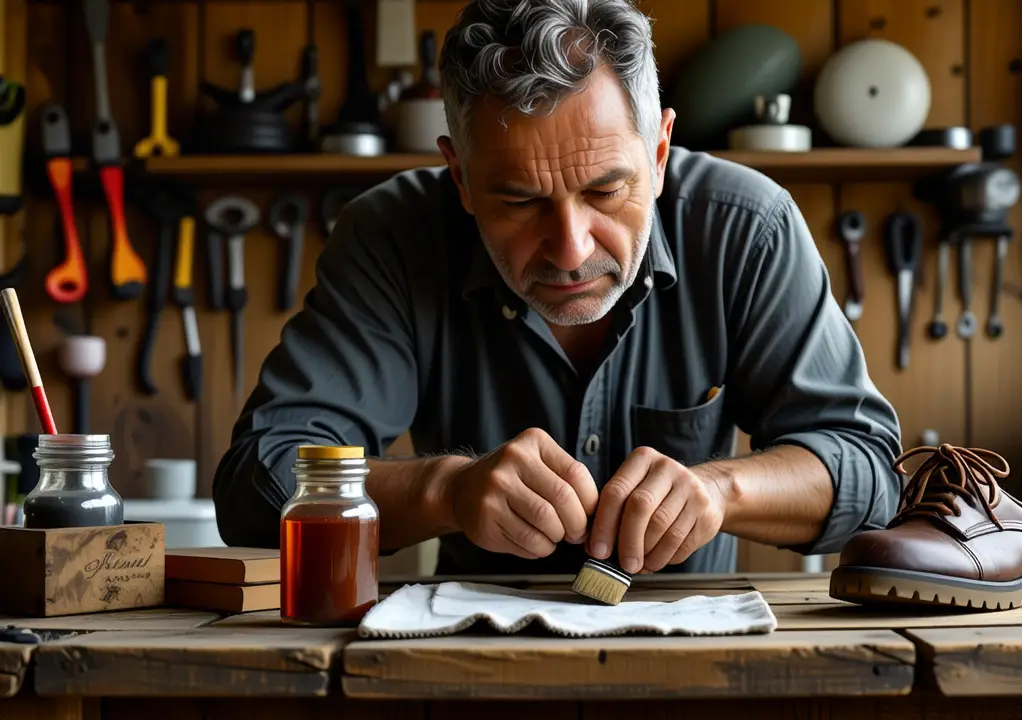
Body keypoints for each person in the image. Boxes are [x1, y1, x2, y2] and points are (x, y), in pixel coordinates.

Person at [212, 0, 903, 576]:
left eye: (606, 190)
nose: (571, 249)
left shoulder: (748, 230)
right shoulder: (393, 239)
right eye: (517, 201)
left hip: (694, 674)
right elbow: (255, 483)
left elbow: (872, 475)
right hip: (464, 676)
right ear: (459, 177)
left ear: (658, 155)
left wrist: (722, 490)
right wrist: (446, 491)